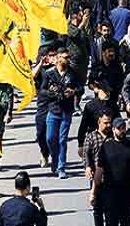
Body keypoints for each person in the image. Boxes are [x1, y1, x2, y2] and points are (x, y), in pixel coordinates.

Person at [91, 117, 130, 226]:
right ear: (113, 129)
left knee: (127, 222)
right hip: (110, 192)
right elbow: (99, 170)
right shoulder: (106, 146)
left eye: (123, 128)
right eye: (119, 128)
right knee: (111, 222)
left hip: (128, 192)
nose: (122, 131)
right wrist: (93, 192)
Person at [41, 46, 83, 179]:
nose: (67, 60)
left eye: (68, 57)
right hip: (53, 109)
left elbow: (81, 87)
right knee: (50, 138)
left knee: (62, 140)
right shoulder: (49, 73)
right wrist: (51, 92)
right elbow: (41, 91)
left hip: (66, 110)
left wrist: (74, 92)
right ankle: (54, 158)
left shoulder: (72, 72)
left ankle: (61, 167)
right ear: (58, 58)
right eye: (65, 57)